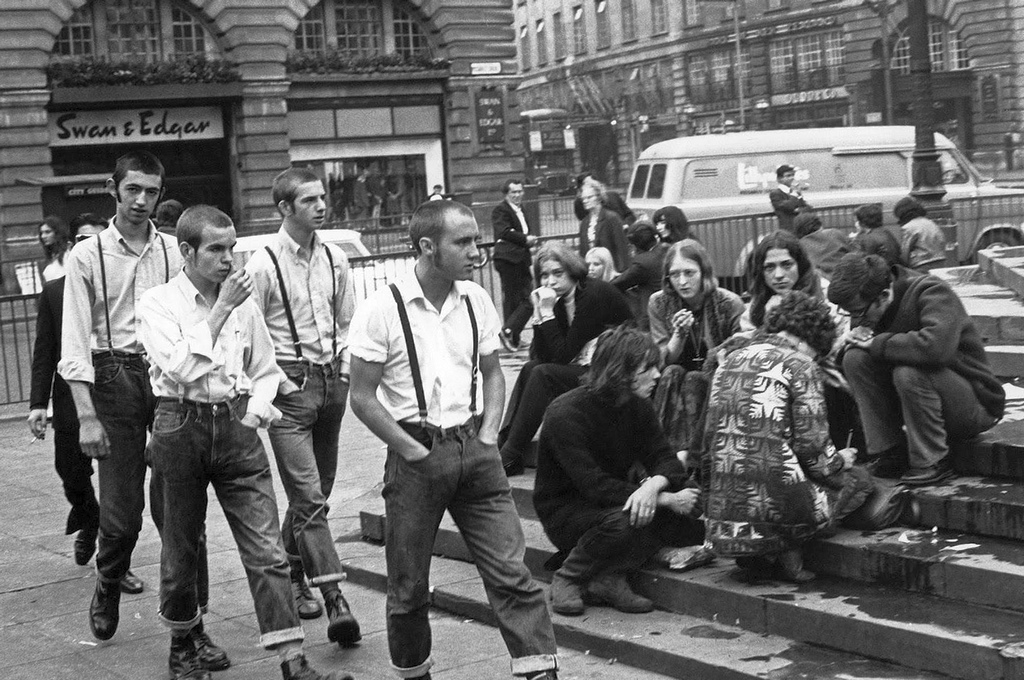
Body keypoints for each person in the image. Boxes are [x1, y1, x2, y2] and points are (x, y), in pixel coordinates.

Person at [348, 199, 559, 680]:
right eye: (461, 242)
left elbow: (493, 373)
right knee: (408, 588)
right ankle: (414, 673)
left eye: (474, 240)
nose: (475, 251)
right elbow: (361, 396)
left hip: (475, 452)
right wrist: (412, 450)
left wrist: (488, 433)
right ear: (427, 246)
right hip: (417, 457)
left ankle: (538, 671)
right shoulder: (383, 307)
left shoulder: (475, 300)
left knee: (513, 575)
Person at [139, 205, 352, 680]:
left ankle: (292, 659)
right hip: (179, 424)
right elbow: (178, 367)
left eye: (232, 247)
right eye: (216, 249)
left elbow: (265, 367)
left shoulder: (244, 302)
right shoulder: (157, 303)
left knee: (266, 550)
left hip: (235, 425)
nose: (228, 259)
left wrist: (257, 406)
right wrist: (219, 310)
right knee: (182, 544)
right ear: (186, 251)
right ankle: (183, 642)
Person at [700, 291, 918, 583]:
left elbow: (708, 443)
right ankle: (789, 549)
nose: (815, 359)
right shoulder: (800, 365)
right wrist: (842, 459)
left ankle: (756, 554)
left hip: (721, 517)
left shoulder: (730, 360)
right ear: (809, 342)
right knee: (859, 479)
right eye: (817, 353)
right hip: (778, 508)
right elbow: (814, 454)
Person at [59, 150, 179, 641]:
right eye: (133, 189)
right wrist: (86, 416)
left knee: (176, 508)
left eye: (151, 191)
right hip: (113, 377)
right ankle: (109, 577)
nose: (142, 200)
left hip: (169, 375)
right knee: (122, 514)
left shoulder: (174, 250)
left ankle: (185, 623)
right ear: (114, 189)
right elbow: (74, 340)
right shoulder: (87, 255)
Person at [246, 168, 361, 645]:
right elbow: (246, 333)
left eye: (322, 197)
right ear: (284, 209)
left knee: (318, 491)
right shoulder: (263, 263)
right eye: (308, 199)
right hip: (289, 390)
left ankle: (295, 570)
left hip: (331, 382)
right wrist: (273, 384)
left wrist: (347, 372)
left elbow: (350, 321)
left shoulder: (335, 257)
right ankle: (335, 597)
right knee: (310, 498)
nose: (320, 205)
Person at [535, 327, 706, 617]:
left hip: (623, 499)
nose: (657, 374)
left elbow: (665, 459)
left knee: (693, 517)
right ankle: (569, 576)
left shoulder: (637, 405)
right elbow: (594, 486)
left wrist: (653, 487)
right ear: (619, 372)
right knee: (623, 523)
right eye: (647, 368)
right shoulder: (565, 413)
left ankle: (607, 576)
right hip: (570, 512)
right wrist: (663, 500)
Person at [828, 252, 1004, 485]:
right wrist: (847, 344)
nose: (855, 318)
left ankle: (931, 460)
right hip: (920, 404)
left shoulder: (931, 291)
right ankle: (889, 451)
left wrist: (877, 343)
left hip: (974, 404)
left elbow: (936, 349)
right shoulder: (867, 306)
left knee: (908, 371)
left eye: (858, 312)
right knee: (855, 359)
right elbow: (859, 360)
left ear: (883, 295)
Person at [498, 242, 632, 476]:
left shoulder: (592, 294)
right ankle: (506, 446)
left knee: (543, 374)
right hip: (586, 365)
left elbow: (562, 355)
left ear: (572, 270)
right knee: (532, 367)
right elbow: (542, 355)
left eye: (557, 273)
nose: (550, 282)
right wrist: (540, 313)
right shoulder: (559, 299)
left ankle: (509, 454)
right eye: (544, 276)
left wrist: (547, 312)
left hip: (616, 369)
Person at [28, 214, 106, 567]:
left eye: (97, 240)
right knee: (71, 473)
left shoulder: (118, 293)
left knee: (120, 488)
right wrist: (36, 405)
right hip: (69, 398)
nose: (89, 246)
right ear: (73, 246)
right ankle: (90, 521)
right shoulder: (55, 292)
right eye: (82, 239)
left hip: (114, 394)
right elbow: (44, 352)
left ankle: (116, 564)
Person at [743, 231, 864, 456]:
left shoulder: (825, 293)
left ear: (800, 264)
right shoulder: (756, 306)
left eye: (786, 264)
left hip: (824, 376)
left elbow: (838, 342)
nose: (779, 275)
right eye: (770, 268)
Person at [648, 239, 744, 451]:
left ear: (704, 273)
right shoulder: (659, 302)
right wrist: (679, 334)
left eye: (689, 273)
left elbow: (741, 352)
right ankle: (661, 451)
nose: (682, 282)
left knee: (694, 379)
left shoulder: (729, 302)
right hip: (675, 375)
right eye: (674, 275)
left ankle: (693, 455)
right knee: (672, 372)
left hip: (718, 376)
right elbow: (662, 362)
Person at [492, 179, 538, 350]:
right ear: (506, 194)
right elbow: (502, 232)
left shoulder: (521, 209)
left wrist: (528, 238)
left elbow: (522, 229)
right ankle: (509, 333)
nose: (518, 195)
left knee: (525, 298)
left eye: (520, 191)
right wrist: (525, 239)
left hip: (520, 259)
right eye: (514, 192)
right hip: (508, 259)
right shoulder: (501, 210)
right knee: (518, 299)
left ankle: (513, 337)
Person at [610, 220, 667, 330]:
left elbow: (617, 284)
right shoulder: (668, 250)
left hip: (652, 318)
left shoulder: (643, 263)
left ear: (635, 245)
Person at [578, 177, 630, 272]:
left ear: (599, 197)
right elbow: (583, 253)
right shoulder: (584, 223)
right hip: (592, 273)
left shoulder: (612, 218)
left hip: (612, 271)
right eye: (583, 198)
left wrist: (622, 272)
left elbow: (622, 248)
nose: (585, 201)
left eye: (589, 197)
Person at [893, 196, 946, 272]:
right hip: (940, 261)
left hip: (920, 264)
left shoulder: (908, 227)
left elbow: (905, 252)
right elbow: (942, 240)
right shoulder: (930, 223)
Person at [794, 211, 850, 281]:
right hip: (848, 278)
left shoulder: (799, 246)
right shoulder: (835, 233)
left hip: (821, 283)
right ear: (819, 225)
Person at [769, 164, 812, 232]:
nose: (792, 178)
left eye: (792, 175)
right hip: (788, 231)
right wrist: (794, 196)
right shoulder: (775, 194)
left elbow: (808, 208)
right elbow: (788, 206)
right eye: (788, 176)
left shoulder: (795, 192)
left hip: (801, 229)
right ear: (779, 179)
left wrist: (797, 210)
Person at [39, 215, 72, 282]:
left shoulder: (68, 253)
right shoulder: (52, 255)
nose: (43, 236)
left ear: (57, 233)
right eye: (41, 233)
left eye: (47, 232)